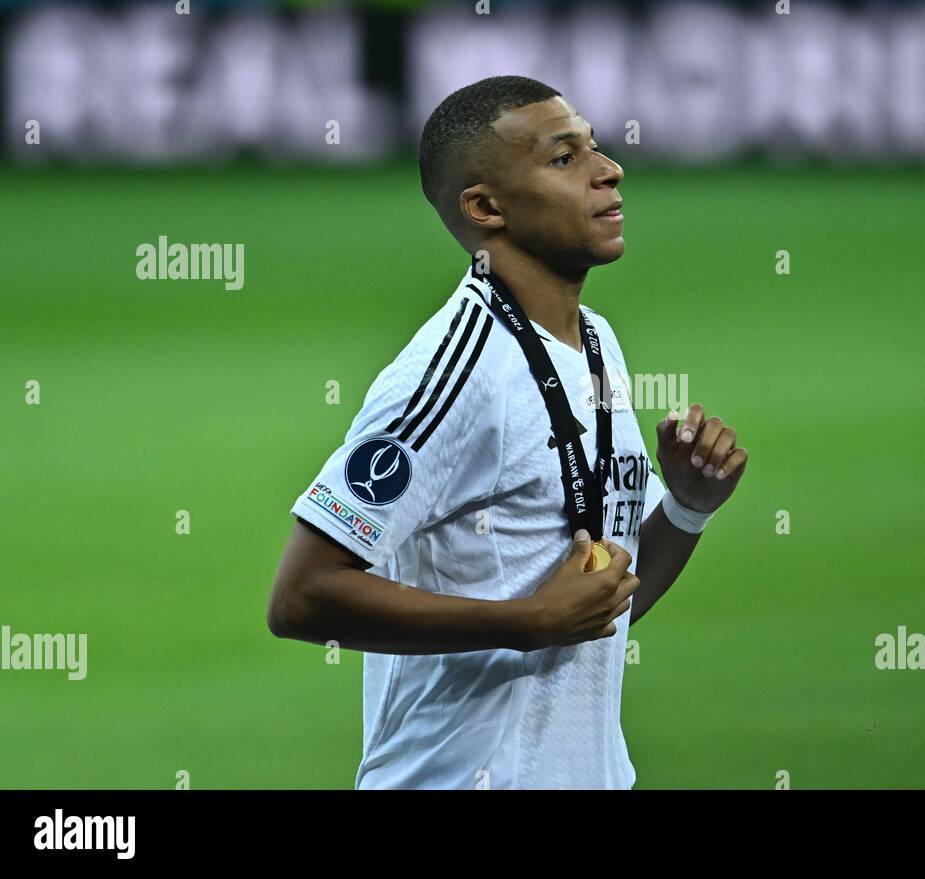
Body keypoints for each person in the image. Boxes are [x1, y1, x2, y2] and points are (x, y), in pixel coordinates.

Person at [267, 75, 748, 789]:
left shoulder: (596, 342)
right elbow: (302, 596)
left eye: (594, 147)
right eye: (564, 159)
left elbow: (599, 608)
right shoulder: (450, 374)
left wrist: (686, 506)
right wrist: (523, 619)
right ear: (485, 207)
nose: (609, 169)